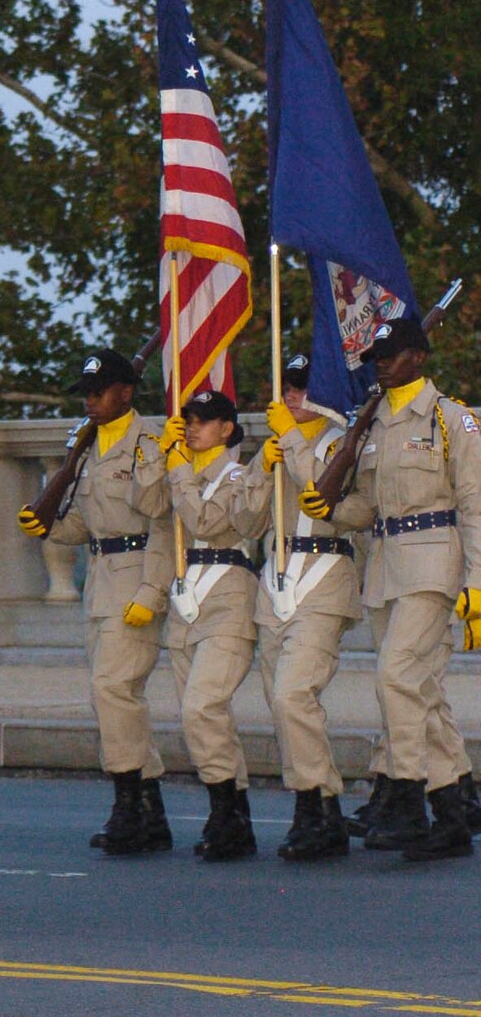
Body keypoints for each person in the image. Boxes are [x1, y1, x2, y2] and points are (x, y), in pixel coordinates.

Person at [307, 317, 481, 861]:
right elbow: (368, 505)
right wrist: (331, 512)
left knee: (396, 675)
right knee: (419, 691)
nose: (380, 361)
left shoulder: (452, 421)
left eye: (391, 352)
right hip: (386, 566)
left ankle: (407, 797)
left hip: (434, 561)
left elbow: (475, 505)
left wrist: (478, 581)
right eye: (376, 354)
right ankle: (452, 815)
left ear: (419, 358)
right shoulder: (374, 422)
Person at [17, 349, 175, 856]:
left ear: (126, 393)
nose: (89, 399)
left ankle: (128, 804)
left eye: (99, 390)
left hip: (137, 575)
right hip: (101, 580)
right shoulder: (84, 446)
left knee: (113, 688)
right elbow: (87, 523)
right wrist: (50, 527)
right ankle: (149, 810)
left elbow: (165, 520)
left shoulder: (151, 441)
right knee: (113, 697)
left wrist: (153, 591)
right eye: (85, 391)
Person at [230, 354, 359, 859]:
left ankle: (313, 804)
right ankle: (320, 806)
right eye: (287, 389)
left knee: (292, 694)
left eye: (302, 389)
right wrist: (260, 467)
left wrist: (291, 440)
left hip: (325, 576)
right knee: (281, 704)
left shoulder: (343, 440)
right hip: (277, 579)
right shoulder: (280, 444)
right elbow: (245, 523)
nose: (291, 398)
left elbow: (322, 491)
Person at [136, 389, 259, 860]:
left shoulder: (237, 475)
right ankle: (231, 813)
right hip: (187, 603)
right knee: (203, 715)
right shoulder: (179, 469)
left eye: (203, 422)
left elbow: (206, 521)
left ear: (227, 429)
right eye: (188, 420)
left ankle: (226, 811)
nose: (192, 428)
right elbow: (148, 507)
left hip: (227, 598)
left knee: (202, 707)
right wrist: (161, 460)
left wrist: (180, 470)